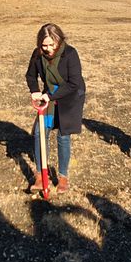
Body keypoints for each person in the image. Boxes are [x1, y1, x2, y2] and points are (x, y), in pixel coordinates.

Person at [25, 23, 86, 193]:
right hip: (48, 95)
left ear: (59, 41)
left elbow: (74, 83)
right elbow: (30, 75)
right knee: (39, 132)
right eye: (44, 45)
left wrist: (49, 96)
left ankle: (63, 177)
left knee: (63, 135)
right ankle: (40, 175)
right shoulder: (38, 55)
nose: (48, 49)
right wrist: (35, 91)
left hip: (71, 97)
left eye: (52, 45)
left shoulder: (70, 54)